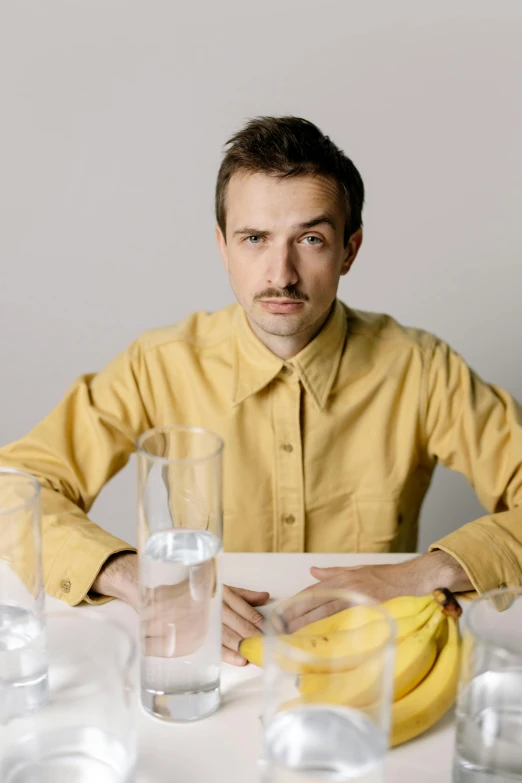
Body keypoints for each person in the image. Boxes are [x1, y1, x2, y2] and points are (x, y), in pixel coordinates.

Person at [2, 116, 522, 665]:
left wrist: (424, 573)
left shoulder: (422, 371)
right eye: (255, 239)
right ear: (224, 247)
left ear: (349, 250)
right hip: (192, 663)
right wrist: (136, 577)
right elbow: (14, 489)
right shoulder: (155, 367)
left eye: (311, 239)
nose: (282, 273)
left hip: (364, 664)